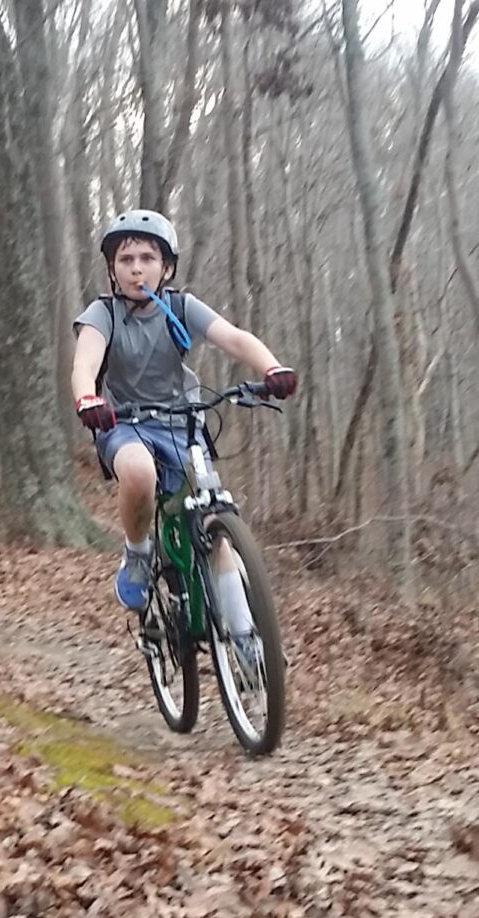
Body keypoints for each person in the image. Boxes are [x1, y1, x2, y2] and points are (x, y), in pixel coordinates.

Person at [68, 209, 296, 653]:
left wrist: (271, 367)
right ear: (113, 270)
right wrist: (87, 398)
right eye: (126, 259)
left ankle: (246, 635)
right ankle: (137, 553)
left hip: (182, 424)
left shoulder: (180, 306)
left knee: (213, 520)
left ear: (166, 266)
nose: (137, 268)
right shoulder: (103, 314)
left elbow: (233, 337)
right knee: (138, 472)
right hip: (124, 423)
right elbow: (85, 363)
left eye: (148, 258)